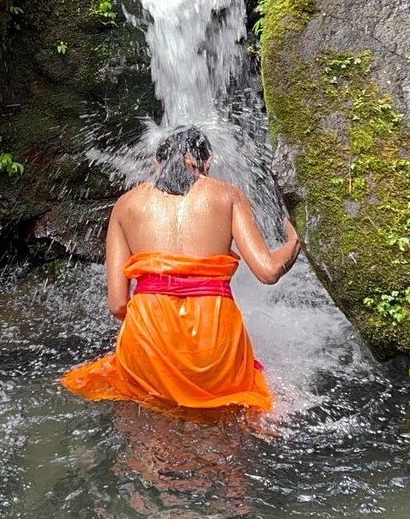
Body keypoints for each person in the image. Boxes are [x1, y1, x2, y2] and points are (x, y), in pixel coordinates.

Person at [61, 125, 300, 416]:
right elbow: (269, 271)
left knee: (149, 430)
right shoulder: (228, 195)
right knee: (226, 429)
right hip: (215, 341)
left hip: (147, 340)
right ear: (207, 163)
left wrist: (156, 328)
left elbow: (117, 303)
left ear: (158, 163)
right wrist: (296, 238)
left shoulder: (126, 204)